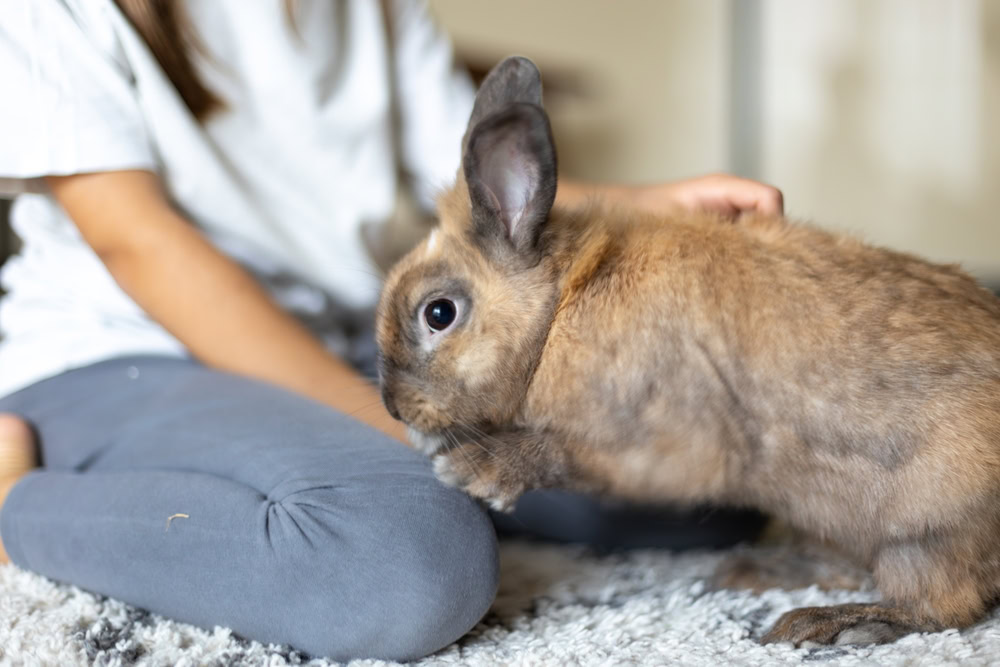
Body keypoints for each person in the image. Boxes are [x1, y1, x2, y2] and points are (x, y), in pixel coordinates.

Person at [0, 0, 781, 661]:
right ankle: (16, 505)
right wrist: (383, 422)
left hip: (341, 338)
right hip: (120, 357)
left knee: (704, 483)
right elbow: (140, 244)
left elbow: (463, 174)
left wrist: (647, 205)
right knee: (408, 560)